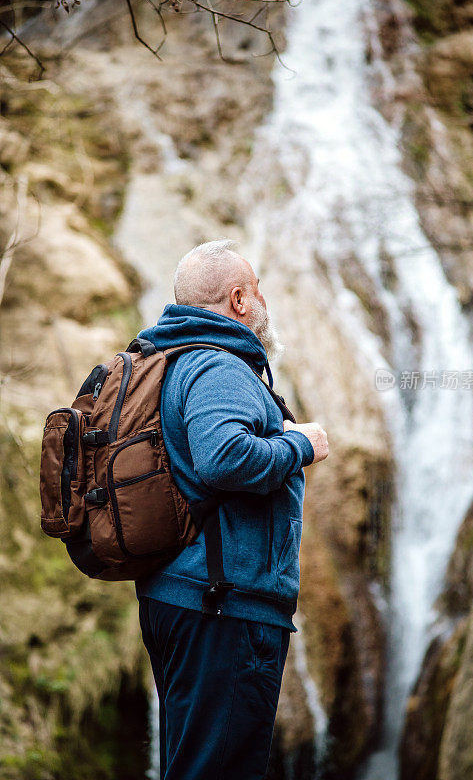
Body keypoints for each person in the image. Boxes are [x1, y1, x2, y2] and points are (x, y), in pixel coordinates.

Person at [135, 239, 329, 780]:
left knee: (194, 764)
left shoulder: (176, 359)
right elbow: (223, 460)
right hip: (222, 606)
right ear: (240, 298)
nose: (265, 298)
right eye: (259, 287)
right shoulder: (218, 366)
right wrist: (301, 445)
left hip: (186, 597)